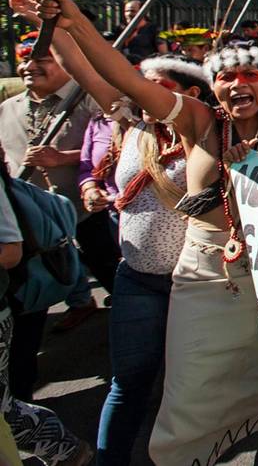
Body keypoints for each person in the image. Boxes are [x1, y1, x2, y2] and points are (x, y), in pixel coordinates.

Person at [21, 0, 258, 465]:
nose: (238, 84)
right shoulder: (199, 121)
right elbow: (121, 80)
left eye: (251, 74)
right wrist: (72, 24)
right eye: (226, 76)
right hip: (197, 280)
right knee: (187, 392)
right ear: (211, 88)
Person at [47, 44, 210, 466]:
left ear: (191, 95)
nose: (143, 94)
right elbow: (84, 71)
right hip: (135, 279)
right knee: (127, 384)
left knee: (191, 390)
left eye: (158, 87)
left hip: (193, 287)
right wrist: (59, 27)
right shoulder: (131, 125)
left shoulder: (208, 133)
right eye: (141, 86)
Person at [0, 27, 115, 396]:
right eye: (25, 60)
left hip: (85, 209)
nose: (30, 66)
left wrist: (63, 158)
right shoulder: (8, 108)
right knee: (31, 291)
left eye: (43, 59)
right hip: (28, 222)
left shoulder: (91, 101)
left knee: (108, 268)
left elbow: (115, 146)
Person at [0, 159, 93, 465]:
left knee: (8, 409)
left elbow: (10, 251)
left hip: (19, 294)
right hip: (20, 294)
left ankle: (64, 449)